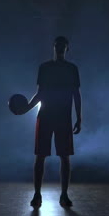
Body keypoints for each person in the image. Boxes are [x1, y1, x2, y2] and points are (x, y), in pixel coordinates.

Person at [25, 36, 82, 207]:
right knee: (40, 156)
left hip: (63, 117)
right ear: (53, 47)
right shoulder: (45, 68)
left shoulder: (72, 69)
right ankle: (37, 194)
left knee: (64, 157)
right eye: (57, 45)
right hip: (46, 115)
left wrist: (79, 117)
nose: (60, 48)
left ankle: (64, 194)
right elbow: (40, 93)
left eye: (63, 45)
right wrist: (26, 108)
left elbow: (76, 95)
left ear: (67, 48)